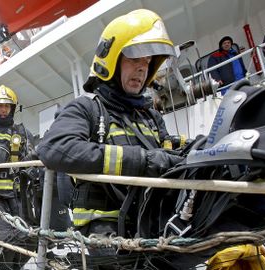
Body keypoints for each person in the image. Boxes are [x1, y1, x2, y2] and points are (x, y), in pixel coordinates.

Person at [37, 9, 183, 269]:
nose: (142, 67)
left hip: (150, 218)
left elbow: (168, 150)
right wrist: (142, 160)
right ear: (111, 60)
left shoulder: (150, 116)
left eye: (148, 62)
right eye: (135, 58)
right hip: (103, 226)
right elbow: (55, 148)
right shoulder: (86, 108)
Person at [0, 85, 37, 270]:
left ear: (13, 108)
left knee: (26, 240)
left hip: (19, 197)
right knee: (0, 245)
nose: (3, 110)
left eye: (7, 106)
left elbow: (30, 161)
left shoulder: (22, 133)